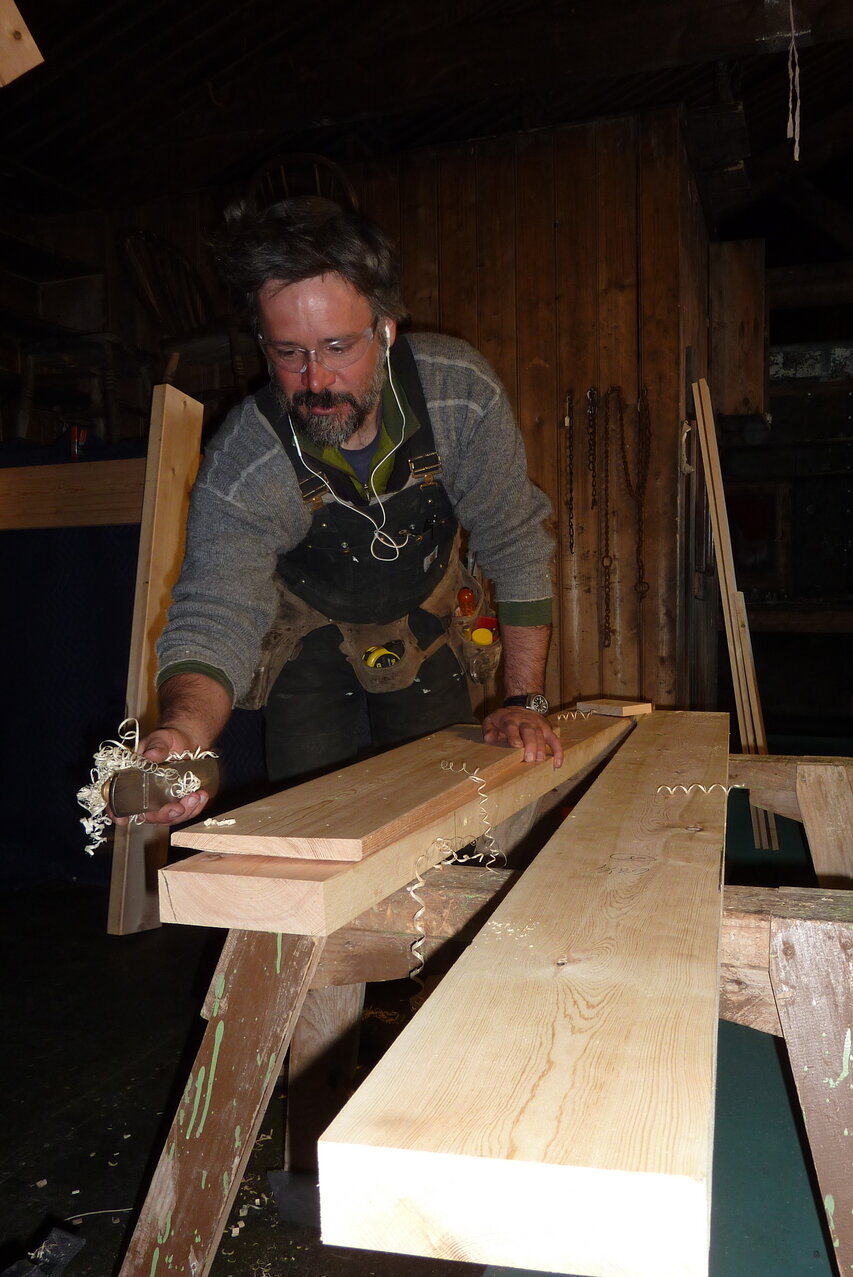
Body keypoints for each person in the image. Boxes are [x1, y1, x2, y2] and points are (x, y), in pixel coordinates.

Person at [134, 195, 563, 826]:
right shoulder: (247, 462)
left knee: (446, 812)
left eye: (337, 347)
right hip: (306, 626)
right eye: (289, 353)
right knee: (314, 820)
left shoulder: (458, 396)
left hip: (425, 612)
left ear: (385, 330)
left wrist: (526, 700)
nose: (315, 381)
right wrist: (183, 735)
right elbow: (215, 610)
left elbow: (516, 542)